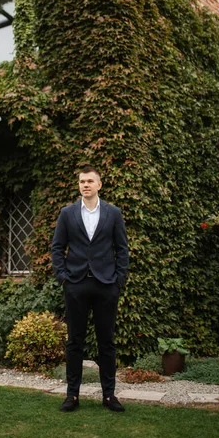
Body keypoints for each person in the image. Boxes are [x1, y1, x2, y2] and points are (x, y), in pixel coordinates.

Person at [51, 165, 129, 412]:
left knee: (107, 342)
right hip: (76, 284)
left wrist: (119, 281)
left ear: (99, 185)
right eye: (82, 181)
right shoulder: (67, 213)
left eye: (90, 181)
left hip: (106, 285)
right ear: (79, 186)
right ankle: (72, 395)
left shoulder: (113, 213)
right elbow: (57, 247)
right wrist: (63, 278)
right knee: (75, 341)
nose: (85, 185)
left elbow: (122, 249)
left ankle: (109, 396)